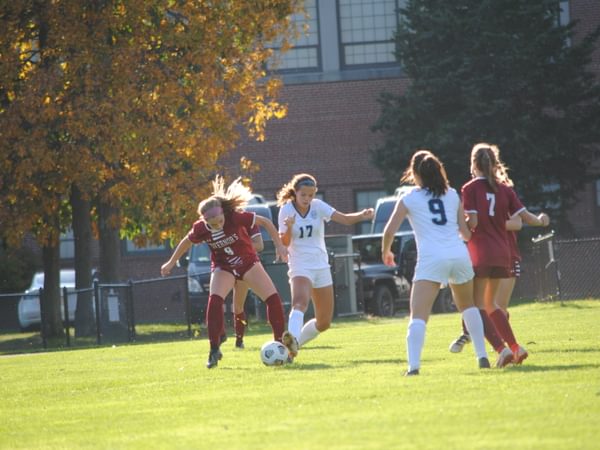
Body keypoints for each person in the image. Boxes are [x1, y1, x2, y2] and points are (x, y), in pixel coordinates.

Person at [161, 176, 290, 368]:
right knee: (215, 300)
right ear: (205, 220)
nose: (218, 225)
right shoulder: (201, 228)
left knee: (273, 299)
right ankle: (214, 349)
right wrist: (171, 262)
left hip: (247, 263)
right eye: (212, 224)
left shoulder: (235, 217)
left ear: (223, 213)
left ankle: (280, 344)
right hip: (224, 267)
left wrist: (279, 246)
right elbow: (186, 241)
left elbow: (266, 222)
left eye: (220, 220)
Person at [381, 150, 490, 376]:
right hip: (459, 255)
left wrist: (386, 252)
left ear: (414, 173)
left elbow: (389, 230)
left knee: (418, 315)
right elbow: (467, 234)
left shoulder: (409, 198)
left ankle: (413, 368)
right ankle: (482, 357)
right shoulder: (451, 195)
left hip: (431, 258)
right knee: (468, 306)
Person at [461, 142, 544, 367]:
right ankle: (516, 347)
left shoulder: (469, 188)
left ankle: (501, 349)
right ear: (494, 164)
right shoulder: (505, 189)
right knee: (492, 305)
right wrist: (540, 220)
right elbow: (525, 216)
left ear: (474, 164)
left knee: (476, 306)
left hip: (481, 252)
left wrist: (461, 227)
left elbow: (474, 222)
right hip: (502, 253)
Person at [277, 173, 374, 359]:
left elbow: (345, 219)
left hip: (321, 265)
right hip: (300, 265)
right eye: (303, 195)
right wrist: (289, 227)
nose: (307, 198)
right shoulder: (286, 210)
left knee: (324, 323)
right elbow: (286, 242)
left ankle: (293, 348)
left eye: (311, 195)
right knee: (300, 303)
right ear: (295, 193)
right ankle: (290, 345)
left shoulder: (318, 206)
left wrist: (362, 215)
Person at [449, 206, 550, 353]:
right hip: (481, 255)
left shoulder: (503, 190)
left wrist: (486, 223)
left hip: (506, 255)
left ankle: (504, 346)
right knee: (475, 301)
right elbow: (468, 223)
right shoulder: (473, 190)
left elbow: (517, 223)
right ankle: (470, 333)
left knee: (497, 305)